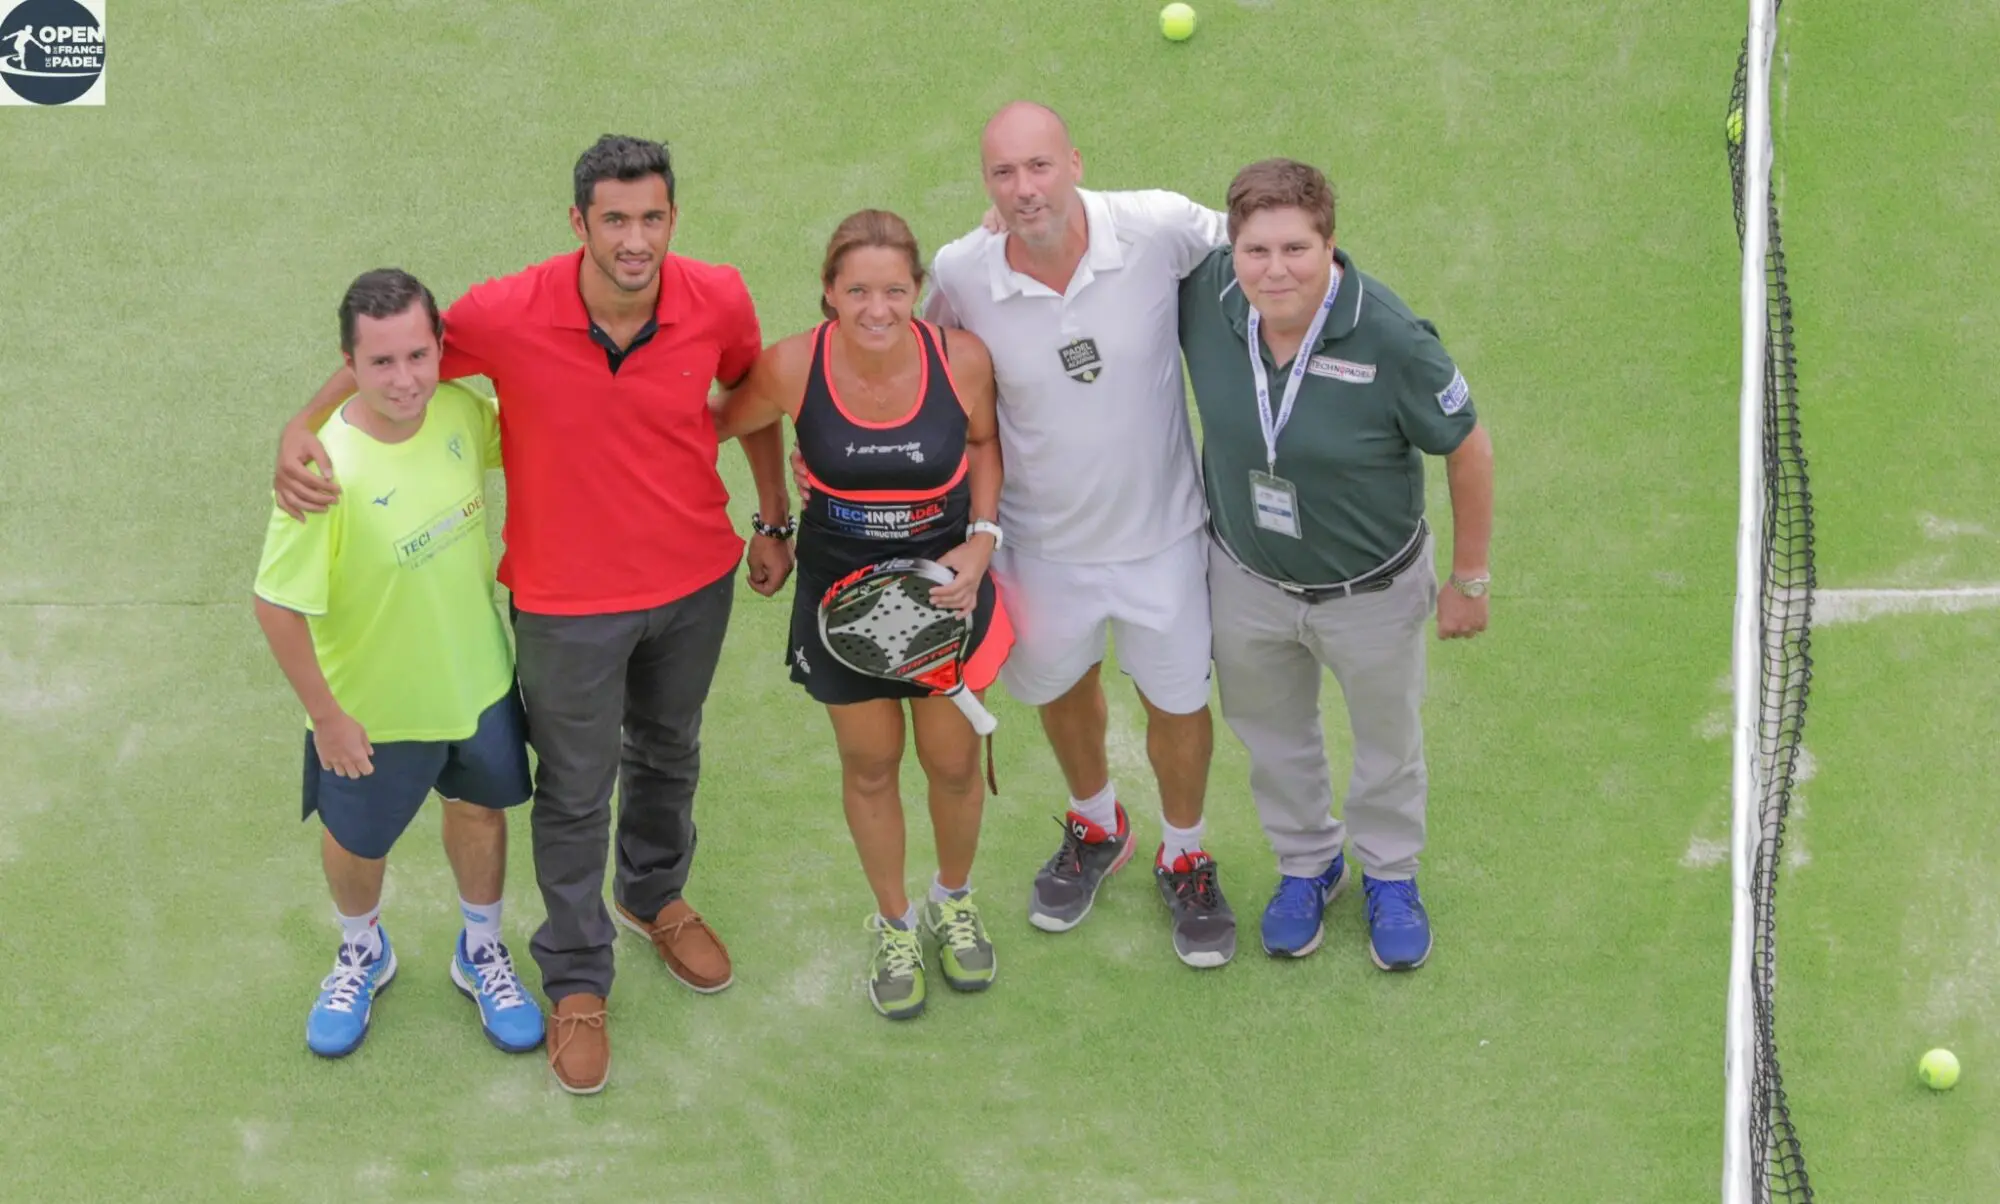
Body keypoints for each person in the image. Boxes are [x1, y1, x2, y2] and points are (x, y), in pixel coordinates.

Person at [269, 136, 793, 1094]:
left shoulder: (717, 295)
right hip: (565, 605)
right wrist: (302, 426)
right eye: (614, 220)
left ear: (673, 217)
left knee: (670, 751)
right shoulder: (507, 312)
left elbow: (753, 399)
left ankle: (654, 898)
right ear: (579, 222)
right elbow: (399, 353)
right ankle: (579, 979)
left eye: (652, 218)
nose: (635, 239)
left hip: (693, 584)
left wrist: (773, 518)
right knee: (575, 791)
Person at [798, 102, 1239, 966]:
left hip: (1164, 538)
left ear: (1076, 161)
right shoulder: (964, 271)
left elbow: (1260, 237)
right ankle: (1097, 822)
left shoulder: (1154, 225)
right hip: (1038, 546)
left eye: (1040, 167)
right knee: (1062, 688)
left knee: (1178, 702)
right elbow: (903, 345)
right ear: (986, 187)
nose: (1025, 188)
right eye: (1005, 174)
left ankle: (1185, 849)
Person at [1177, 158, 1495, 970]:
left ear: (1330, 245)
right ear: (1231, 249)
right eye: (1256, 251)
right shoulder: (1207, 297)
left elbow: (1468, 447)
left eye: (1295, 249)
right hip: (1246, 581)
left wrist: (1470, 579)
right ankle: (1308, 866)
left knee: (1387, 742)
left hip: (1372, 593)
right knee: (1274, 737)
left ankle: (1390, 874)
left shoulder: (1391, 337)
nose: (1274, 270)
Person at [716, 210, 1010, 1020]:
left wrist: (982, 542)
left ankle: (953, 899)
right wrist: (773, 517)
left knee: (951, 764)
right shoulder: (790, 367)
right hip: (839, 598)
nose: (876, 309)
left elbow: (983, 446)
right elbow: (729, 421)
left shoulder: (962, 360)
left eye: (893, 290)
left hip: (945, 595)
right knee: (871, 766)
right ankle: (894, 923)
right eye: (857, 291)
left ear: (917, 291)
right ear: (827, 292)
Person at [253, 268, 544, 1059]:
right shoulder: (322, 470)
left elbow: (545, 420)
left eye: (419, 356)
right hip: (371, 713)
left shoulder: (461, 414)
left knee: (481, 815)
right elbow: (276, 605)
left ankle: (480, 948)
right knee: (359, 843)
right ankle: (360, 951)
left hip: (479, 686)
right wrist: (327, 719)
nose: (405, 379)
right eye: (381, 363)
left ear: (442, 349)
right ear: (348, 363)